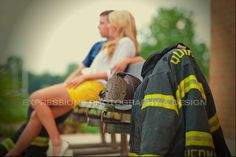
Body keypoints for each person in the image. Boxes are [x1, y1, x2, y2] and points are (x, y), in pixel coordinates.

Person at [6, 10, 142, 156]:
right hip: (87, 85)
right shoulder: (110, 44)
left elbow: (113, 75)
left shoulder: (125, 42)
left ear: (119, 23)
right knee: (36, 117)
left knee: (36, 98)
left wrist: (84, 78)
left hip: (94, 87)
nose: (106, 25)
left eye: (109, 22)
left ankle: (57, 142)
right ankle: (13, 153)